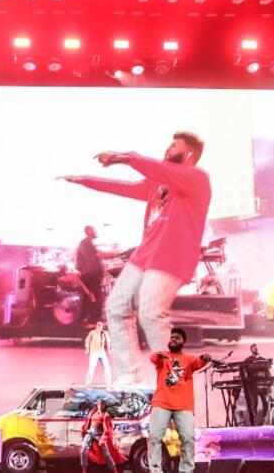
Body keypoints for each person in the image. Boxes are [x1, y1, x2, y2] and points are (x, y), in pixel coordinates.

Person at [62, 132, 212, 384]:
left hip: (172, 256)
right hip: (145, 255)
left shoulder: (197, 178)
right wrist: (84, 180)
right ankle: (129, 378)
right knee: (116, 307)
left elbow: (153, 166)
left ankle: (173, 382)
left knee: (151, 312)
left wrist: (123, 157)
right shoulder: (158, 184)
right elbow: (123, 187)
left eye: (174, 145)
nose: (167, 148)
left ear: (190, 153)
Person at [148, 327, 212, 473]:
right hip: (161, 403)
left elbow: (200, 361)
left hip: (183, 405)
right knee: (154, 436)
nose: (173, 339)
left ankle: (186, 470)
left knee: (188, 438)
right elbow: (153, 358)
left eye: (177, 337)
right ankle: (155, 469)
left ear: (183, 341)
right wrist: (159, 355)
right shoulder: (163, 356)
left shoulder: (189, 359)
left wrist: (205, 357)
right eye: (172, 337)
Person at [75, 226, 122, 322]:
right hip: (91, 276)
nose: (95, 232)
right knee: (93, 297)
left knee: (89, 297)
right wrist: (115, 255)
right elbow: (96, 256)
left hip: (89, 275)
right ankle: (93, 319)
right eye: (93, 230)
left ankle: (85, 319)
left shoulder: (85, 243)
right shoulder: (86, 243)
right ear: (89, 232)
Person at [80, 398, 124, 473]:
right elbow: (88, 422)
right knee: (83, 451)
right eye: (100, 404)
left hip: (99, 435)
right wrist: (84, 430)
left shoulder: (105, 415)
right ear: (97, 405)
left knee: (106, 454)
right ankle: (84, 471)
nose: (101, 405)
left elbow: (107, 429)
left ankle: (115, 470)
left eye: (102, 404)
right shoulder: (93, 412)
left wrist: (103, 439)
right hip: (90, 433)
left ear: (104, 405)